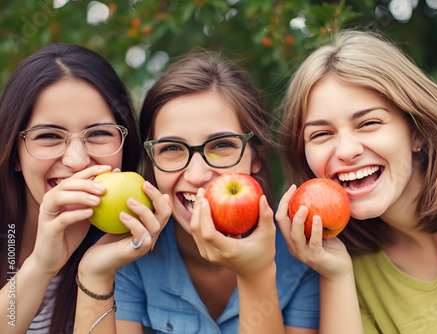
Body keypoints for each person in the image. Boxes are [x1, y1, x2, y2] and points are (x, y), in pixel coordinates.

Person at [74, 50, 320, 334]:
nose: (197, 175)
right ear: (151, 164)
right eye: (172, 149)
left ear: (256, 158)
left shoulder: (301, 256)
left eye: (221, 145)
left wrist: (257, 276)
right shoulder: (130, 253)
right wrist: (95, 275)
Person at [275, 28, 437, 333]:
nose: (347, 151)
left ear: (418, 131)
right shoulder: (353, 268)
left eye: (368, 123)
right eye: (321, 134)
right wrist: (336, 274)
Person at [0, 43, 170, 334]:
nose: (77, 160)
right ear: (15, 154)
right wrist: (40, 266)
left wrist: (97, 272)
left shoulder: (135, 247)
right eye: (49, 135)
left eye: (99, 133)